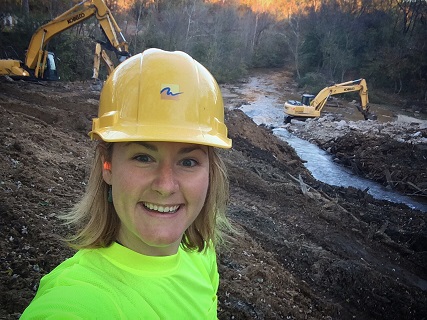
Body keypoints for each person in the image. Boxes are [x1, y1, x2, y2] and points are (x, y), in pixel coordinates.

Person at [21, 48, 232, 319]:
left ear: (211, 173)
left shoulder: (201, 255)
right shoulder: (76, 302)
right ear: (106, 165)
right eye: (143, 157)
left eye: (188, 162)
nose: (165, 186)